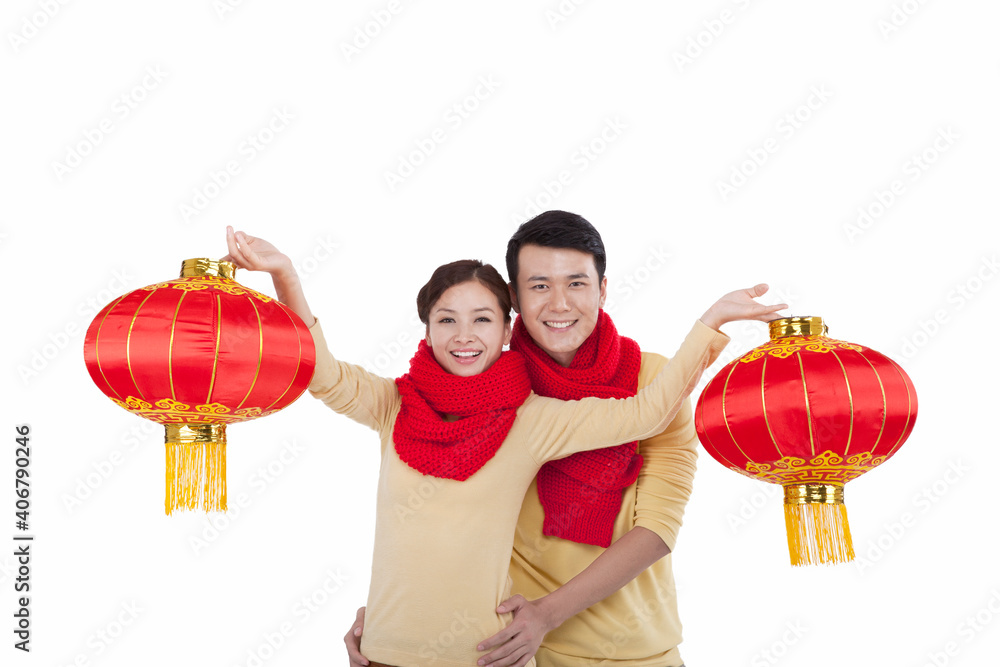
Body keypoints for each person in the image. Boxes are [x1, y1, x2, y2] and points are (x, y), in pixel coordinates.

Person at [223, 224, 783, 667]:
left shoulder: (540, 414)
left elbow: (650, 444)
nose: (464, 335)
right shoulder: (397, 403)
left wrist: (711, 323)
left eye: (482, 319)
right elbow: (321, 374)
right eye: (447, 319)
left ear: (504, 325)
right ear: (426, 330)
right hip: (429, 647)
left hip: (563, 651)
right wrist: (286, 275)